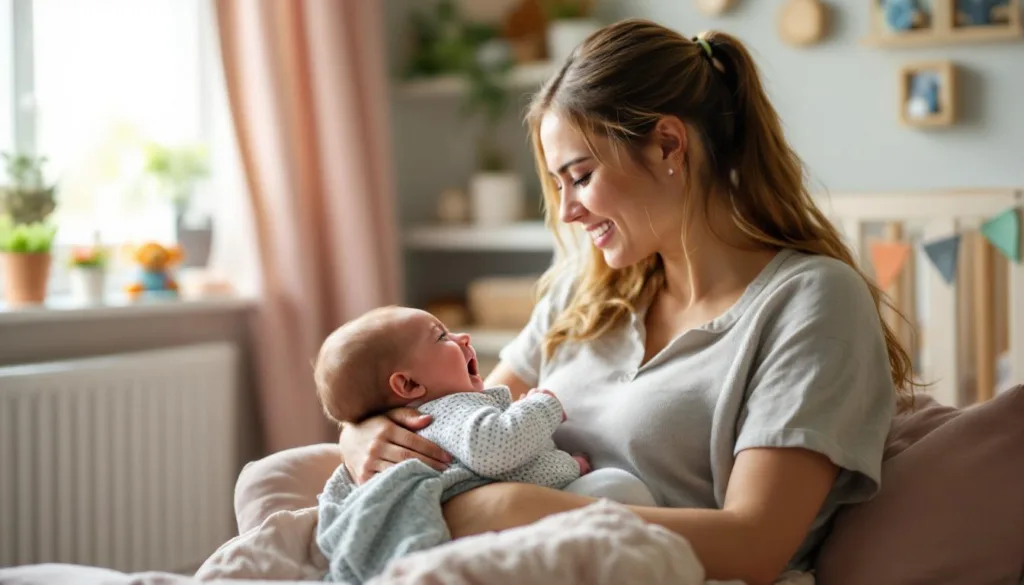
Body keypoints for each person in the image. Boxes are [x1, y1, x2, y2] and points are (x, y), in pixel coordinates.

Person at [332, 18, 913, 585]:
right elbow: (464, 415)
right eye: (558, 185)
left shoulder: (809, 302)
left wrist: (508, 511)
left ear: (668, 143)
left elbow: (755, 544)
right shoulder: (580, 292)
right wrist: (363, 432)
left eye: (580, 176)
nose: (566, 211)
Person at [311, 306, 655, 582]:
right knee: (618, 487)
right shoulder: (450, 410)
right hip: (486, 533)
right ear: (410, 384)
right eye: (441, 336)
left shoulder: (438, 418)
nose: (462, 336)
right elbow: (496, 450)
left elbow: (501, 471)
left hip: (498, 520)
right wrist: (543, 406)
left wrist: (567, 465)